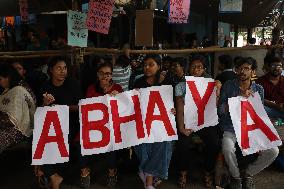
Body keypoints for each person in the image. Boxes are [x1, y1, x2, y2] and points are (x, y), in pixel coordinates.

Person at [218, 57, 279, 189]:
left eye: (246, 68)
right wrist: (238, 97)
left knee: (273, 151)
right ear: (236, 70)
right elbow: (221, 110)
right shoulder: (229, 85)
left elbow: (259, 113)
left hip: (251, 128)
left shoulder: (259, 89)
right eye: (240, 68)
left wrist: (264, 130)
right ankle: (236, 177)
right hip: (231, 127)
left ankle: (247, 173)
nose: (242, 71)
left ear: (253, 72)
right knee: (227, 148)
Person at [175, 54, 221, 188]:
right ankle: (183, 172)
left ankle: (208, 171)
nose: (196, 70)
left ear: (204, 69)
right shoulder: (181, 86)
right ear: (188, 68)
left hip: (205, 122)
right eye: (193, 67)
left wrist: (217, 89)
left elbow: (214, 106)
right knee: (183, 143)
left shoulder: (211, 84)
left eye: (199, 67)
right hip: (187, 122)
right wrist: (181, 127)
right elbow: (179, 109)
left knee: (214, 143)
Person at [38, 56, 82, 189]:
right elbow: (40, 111)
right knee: (42, 139)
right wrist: (45, 104)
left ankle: (51, 174)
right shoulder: (45, 87)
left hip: (71, 122)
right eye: (59, 68)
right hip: (51, 124)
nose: (63, 71)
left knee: (62, 140)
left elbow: (81, 107)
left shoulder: (73, 84)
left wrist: (63, 108)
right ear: (51, 70)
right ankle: (54, 176)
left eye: (65, 68)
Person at [133, 55, 175, 189]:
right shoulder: (138, 82)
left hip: (162, 124)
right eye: (145, 65)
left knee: (165, 142)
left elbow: (175, 102)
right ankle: (149, 175)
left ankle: (148, 176)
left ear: (159, 65)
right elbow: (132, 104)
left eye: (151, 64)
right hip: (144, 123)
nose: (147, 67)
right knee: (142, 142)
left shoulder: (168, 81)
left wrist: (174, 109)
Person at [84, 61, 123, 188]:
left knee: (111, 141)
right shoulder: (91, 88)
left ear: (111, 75)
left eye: (108, 74)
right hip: (95, 126)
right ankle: (84, 172)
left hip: (112, 126)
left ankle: (112, 173)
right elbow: (88, 109)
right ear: (97, 74)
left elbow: (124, 109)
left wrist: (117, 97)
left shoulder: (118, 88)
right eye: (101, 73)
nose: (105, 76)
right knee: (82, 141)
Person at [0, 64, 36, 153]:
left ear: (7, 78)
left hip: (19, 131)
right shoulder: (7, 91)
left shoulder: (19, 91)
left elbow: (13, 121)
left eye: (0, 79)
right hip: (6, 126)